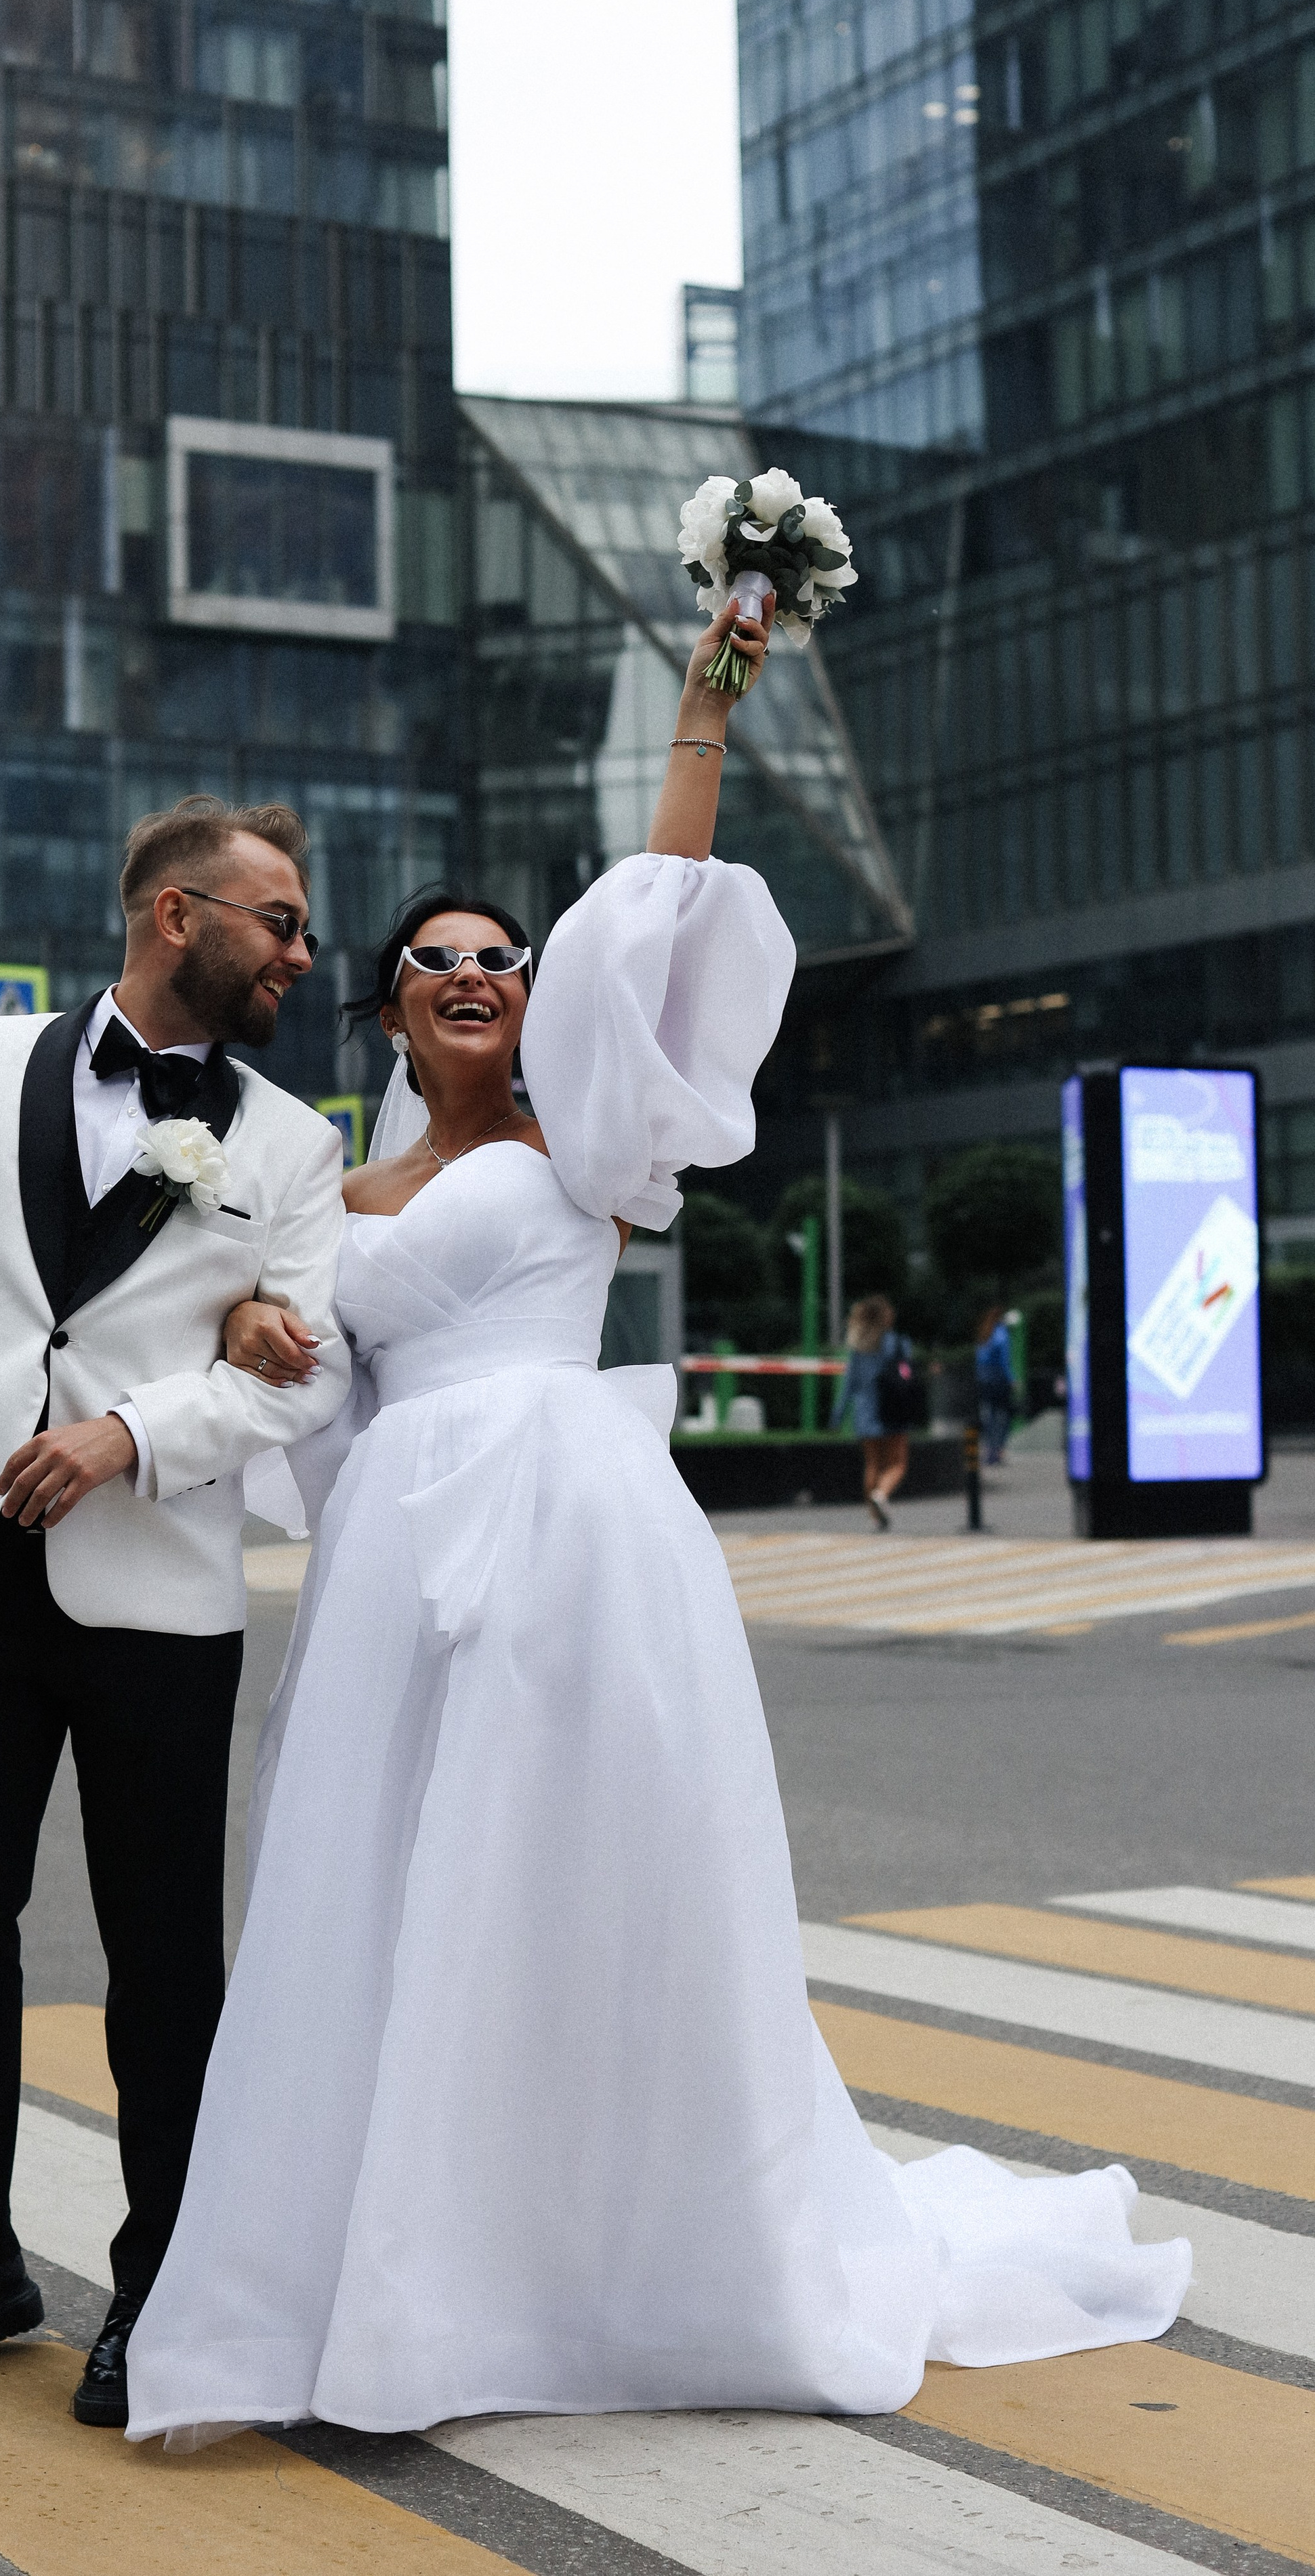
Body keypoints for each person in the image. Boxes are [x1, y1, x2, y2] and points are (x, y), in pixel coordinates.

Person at [121, 597, 1188, 2447]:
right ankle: (410, 2269)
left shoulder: (590, 1145)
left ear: (531, 1000)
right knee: (403, 1900)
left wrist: (709, 699)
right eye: (433, 958)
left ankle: (636, 2255)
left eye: (501, 959)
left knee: (592, 1895)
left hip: (576, 1538)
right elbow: (310, 1390)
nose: (473, 974)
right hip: (392, 1554)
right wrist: (252, 1325)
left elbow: (659, 906)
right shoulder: (322, 1183)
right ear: (385, 1005)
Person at [0, 796, 350, 2426]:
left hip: (157, 1585)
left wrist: (135, 1433)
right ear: (177, 917)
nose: (301, 955)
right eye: (278, 922)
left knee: (166, 1960)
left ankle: (160, 2286)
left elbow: (303, 1379)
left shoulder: (292, 1145)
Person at [831, 1294, 912, 1529]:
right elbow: (906, 1376)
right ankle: (882, 1495)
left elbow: (849, 1385)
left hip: (865, 1413)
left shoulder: (859, 1348)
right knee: (898, 1463)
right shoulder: (898, 1343)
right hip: (893, 1409)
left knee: (873, 1464)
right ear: (885, 1317)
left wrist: (837, 1415)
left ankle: (875, 1516)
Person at [976, 1305, 1016, 1466]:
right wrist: (1011, 1379)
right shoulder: (1002, 1335)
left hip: (984, 1379)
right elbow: (1005, 1361)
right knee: (1004, 1416)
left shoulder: (984, 1334)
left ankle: (988, 1450)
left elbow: (980, 1359)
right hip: (998, 1379)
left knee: (989, 1415)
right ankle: (998, 1450)